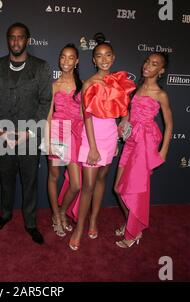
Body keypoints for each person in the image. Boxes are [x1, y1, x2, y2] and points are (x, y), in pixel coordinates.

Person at [0, 22, 52, 245]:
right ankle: (5, 214)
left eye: (20, 37)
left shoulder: (41, 67)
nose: (16, 41)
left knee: (29, 182)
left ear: (28, 40)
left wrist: (28, 133)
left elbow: (45, 102)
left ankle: (31, 223)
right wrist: (0, 131)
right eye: (12, 37)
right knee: (6, 180)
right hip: (3, 135)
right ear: (8, 40)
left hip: (29, 138)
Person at [68, 33, 136, 250]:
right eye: (99, 56)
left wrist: (121, 129)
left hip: (110, 138)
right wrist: (93, 147)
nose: (104, 59)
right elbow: (86, 116)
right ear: (93, 60)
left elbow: (125, 111)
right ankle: (79, 228)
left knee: (101, 181)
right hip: (92, 140)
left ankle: (94, 220)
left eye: (108, 55)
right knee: (87, 185)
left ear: (113, 57)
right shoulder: (89, 83)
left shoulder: (120, 82)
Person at [114, 52, 173, 248]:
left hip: (145, 144)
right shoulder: (137, 89)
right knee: (118, 189)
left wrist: (163, 152)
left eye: (154, 64)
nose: (148, 65)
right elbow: (129, 116)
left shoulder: (160, 94)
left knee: (135, 190)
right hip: (131, 141)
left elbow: (169, 125)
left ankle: (133, 233)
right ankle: (132, 223)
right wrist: (122, 126)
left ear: (161, 70)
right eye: (148, 61)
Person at [46, 44, 83, 237]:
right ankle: (55, 215)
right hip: (57, 134)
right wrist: (48, 141)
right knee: (54, 176)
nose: (66, 61)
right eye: (63, 57)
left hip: (75, 136)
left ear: (77, 61)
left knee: (76, 184)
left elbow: (87, 117)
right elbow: (48, 116)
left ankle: (62, 211)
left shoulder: (83, 86)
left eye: (70, 58)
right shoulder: (54, 86)